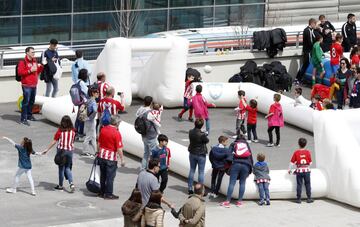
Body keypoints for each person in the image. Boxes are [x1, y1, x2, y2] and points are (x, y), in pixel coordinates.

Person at [42, 115, 76, 192]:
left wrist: (47, 149)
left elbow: (54, 141)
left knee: (61, 169)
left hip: (61, 152)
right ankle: (71, 184)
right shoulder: (73, 130)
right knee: (67, 168)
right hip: (70, 151)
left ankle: (60, 185)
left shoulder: (60, 131)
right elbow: (72, 141)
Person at [220, 134, 253, 208]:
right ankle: (239, 202)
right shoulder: (246, 144)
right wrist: (250, 168)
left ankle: (227, 201)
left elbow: (228, 155)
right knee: (242, 183)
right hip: (246, 165)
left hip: (236, 165)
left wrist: (226, 166)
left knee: (232, 183)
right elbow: (250, 156)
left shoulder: (234, 144)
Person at [97, 115, 125, 199]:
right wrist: (122, 159)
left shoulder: (103, 129)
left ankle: (102, 192)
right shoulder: (116, 133)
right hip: (111, 158)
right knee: (110, 177)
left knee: (103, 175)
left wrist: (98, 152)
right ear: (117, 123)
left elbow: (99, 143)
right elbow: (119, 148)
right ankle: (109, 193)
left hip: (102, 155)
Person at [17, 47, 44, 126]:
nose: (33, 53)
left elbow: (36, 72)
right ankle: (23, 119)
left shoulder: (34, 60)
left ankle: (29, 115)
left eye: (34, 52)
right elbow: (20, 72)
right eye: (32, 52)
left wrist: (41, 67)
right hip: (26, 85)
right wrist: (29, 70)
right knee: (26, 102)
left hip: (34, 84)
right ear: (27, 53)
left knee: (32, 101)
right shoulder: (22, 62)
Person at [135, 96, 161, 169]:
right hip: (151, 135)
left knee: (146, 153)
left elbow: (136, 115)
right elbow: (156, 123)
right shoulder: (150, 112)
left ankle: (143, 168)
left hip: (143, 134)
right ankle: (151, 168)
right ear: (151, 103)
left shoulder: (140, 109)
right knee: (153, 153)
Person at [288, 138, 314, 204]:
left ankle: (299, 199)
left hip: (299, 171)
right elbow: (310, 163)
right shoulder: (307, 152)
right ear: (305, 144)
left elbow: (291, 163)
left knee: (299, 184)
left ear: (298, 144)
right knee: (308, 184)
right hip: (307, 171)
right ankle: (309, 198)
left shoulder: (296, 152)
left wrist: (289, 170)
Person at [187, 118, 209, 195]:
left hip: (192, 152)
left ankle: (190, 188)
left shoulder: (190, 132)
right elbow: (207, 141)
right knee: (201, 172)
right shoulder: (202, 134)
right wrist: (204, 133)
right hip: (201, 154)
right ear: (202, 125)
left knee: (192, 170)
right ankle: (200, 189)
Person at [296, 18, 317, 83]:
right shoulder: (308, 30)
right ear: (312, 23)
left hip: (306, 50)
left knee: (305, 64)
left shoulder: (309, 30)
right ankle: (298, 78)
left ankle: (299, 78)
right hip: (308, 51)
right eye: (315, 24)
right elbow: (310, 41)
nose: (315, 26)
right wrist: (314, 47)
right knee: (305, 64)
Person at [82, 87, 99, 157]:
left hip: (86, 119)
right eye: (97, 93)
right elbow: (95, 110)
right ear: (93, 93)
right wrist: (91, 117)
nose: (98, 94)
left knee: (93, 137)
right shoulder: (93, 101)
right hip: (91, 120)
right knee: (89, 136)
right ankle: (85, 151)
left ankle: (96, 151)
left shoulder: (88, 100)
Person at [74, 68, 90, 141]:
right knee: (82, 118)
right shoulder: (82, 83)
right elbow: (87, 92)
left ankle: (76, 132)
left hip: (79, 101)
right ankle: (80, 133)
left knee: (78, 117)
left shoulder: (77, 81)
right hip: (83, 102)